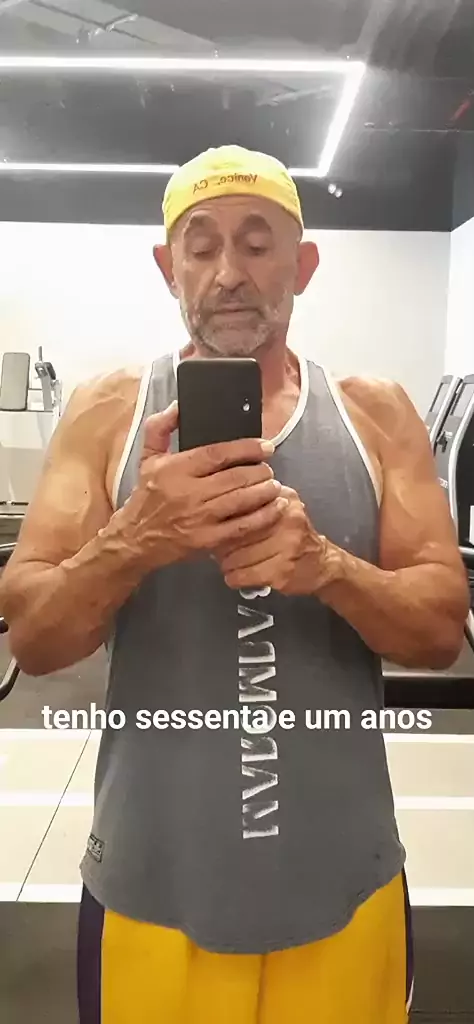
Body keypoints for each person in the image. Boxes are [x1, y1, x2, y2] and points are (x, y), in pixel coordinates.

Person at [0, 145, 469, 1024]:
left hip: (343, 877)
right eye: (202, 245)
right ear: (166, 266)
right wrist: (134, 540)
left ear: (304, 265)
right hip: (155, 883)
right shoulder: (107, 413)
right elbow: (34, 636)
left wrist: (327, 568)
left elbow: (442, 629)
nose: (228, 274)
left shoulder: (375, 414)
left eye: (258, 245)